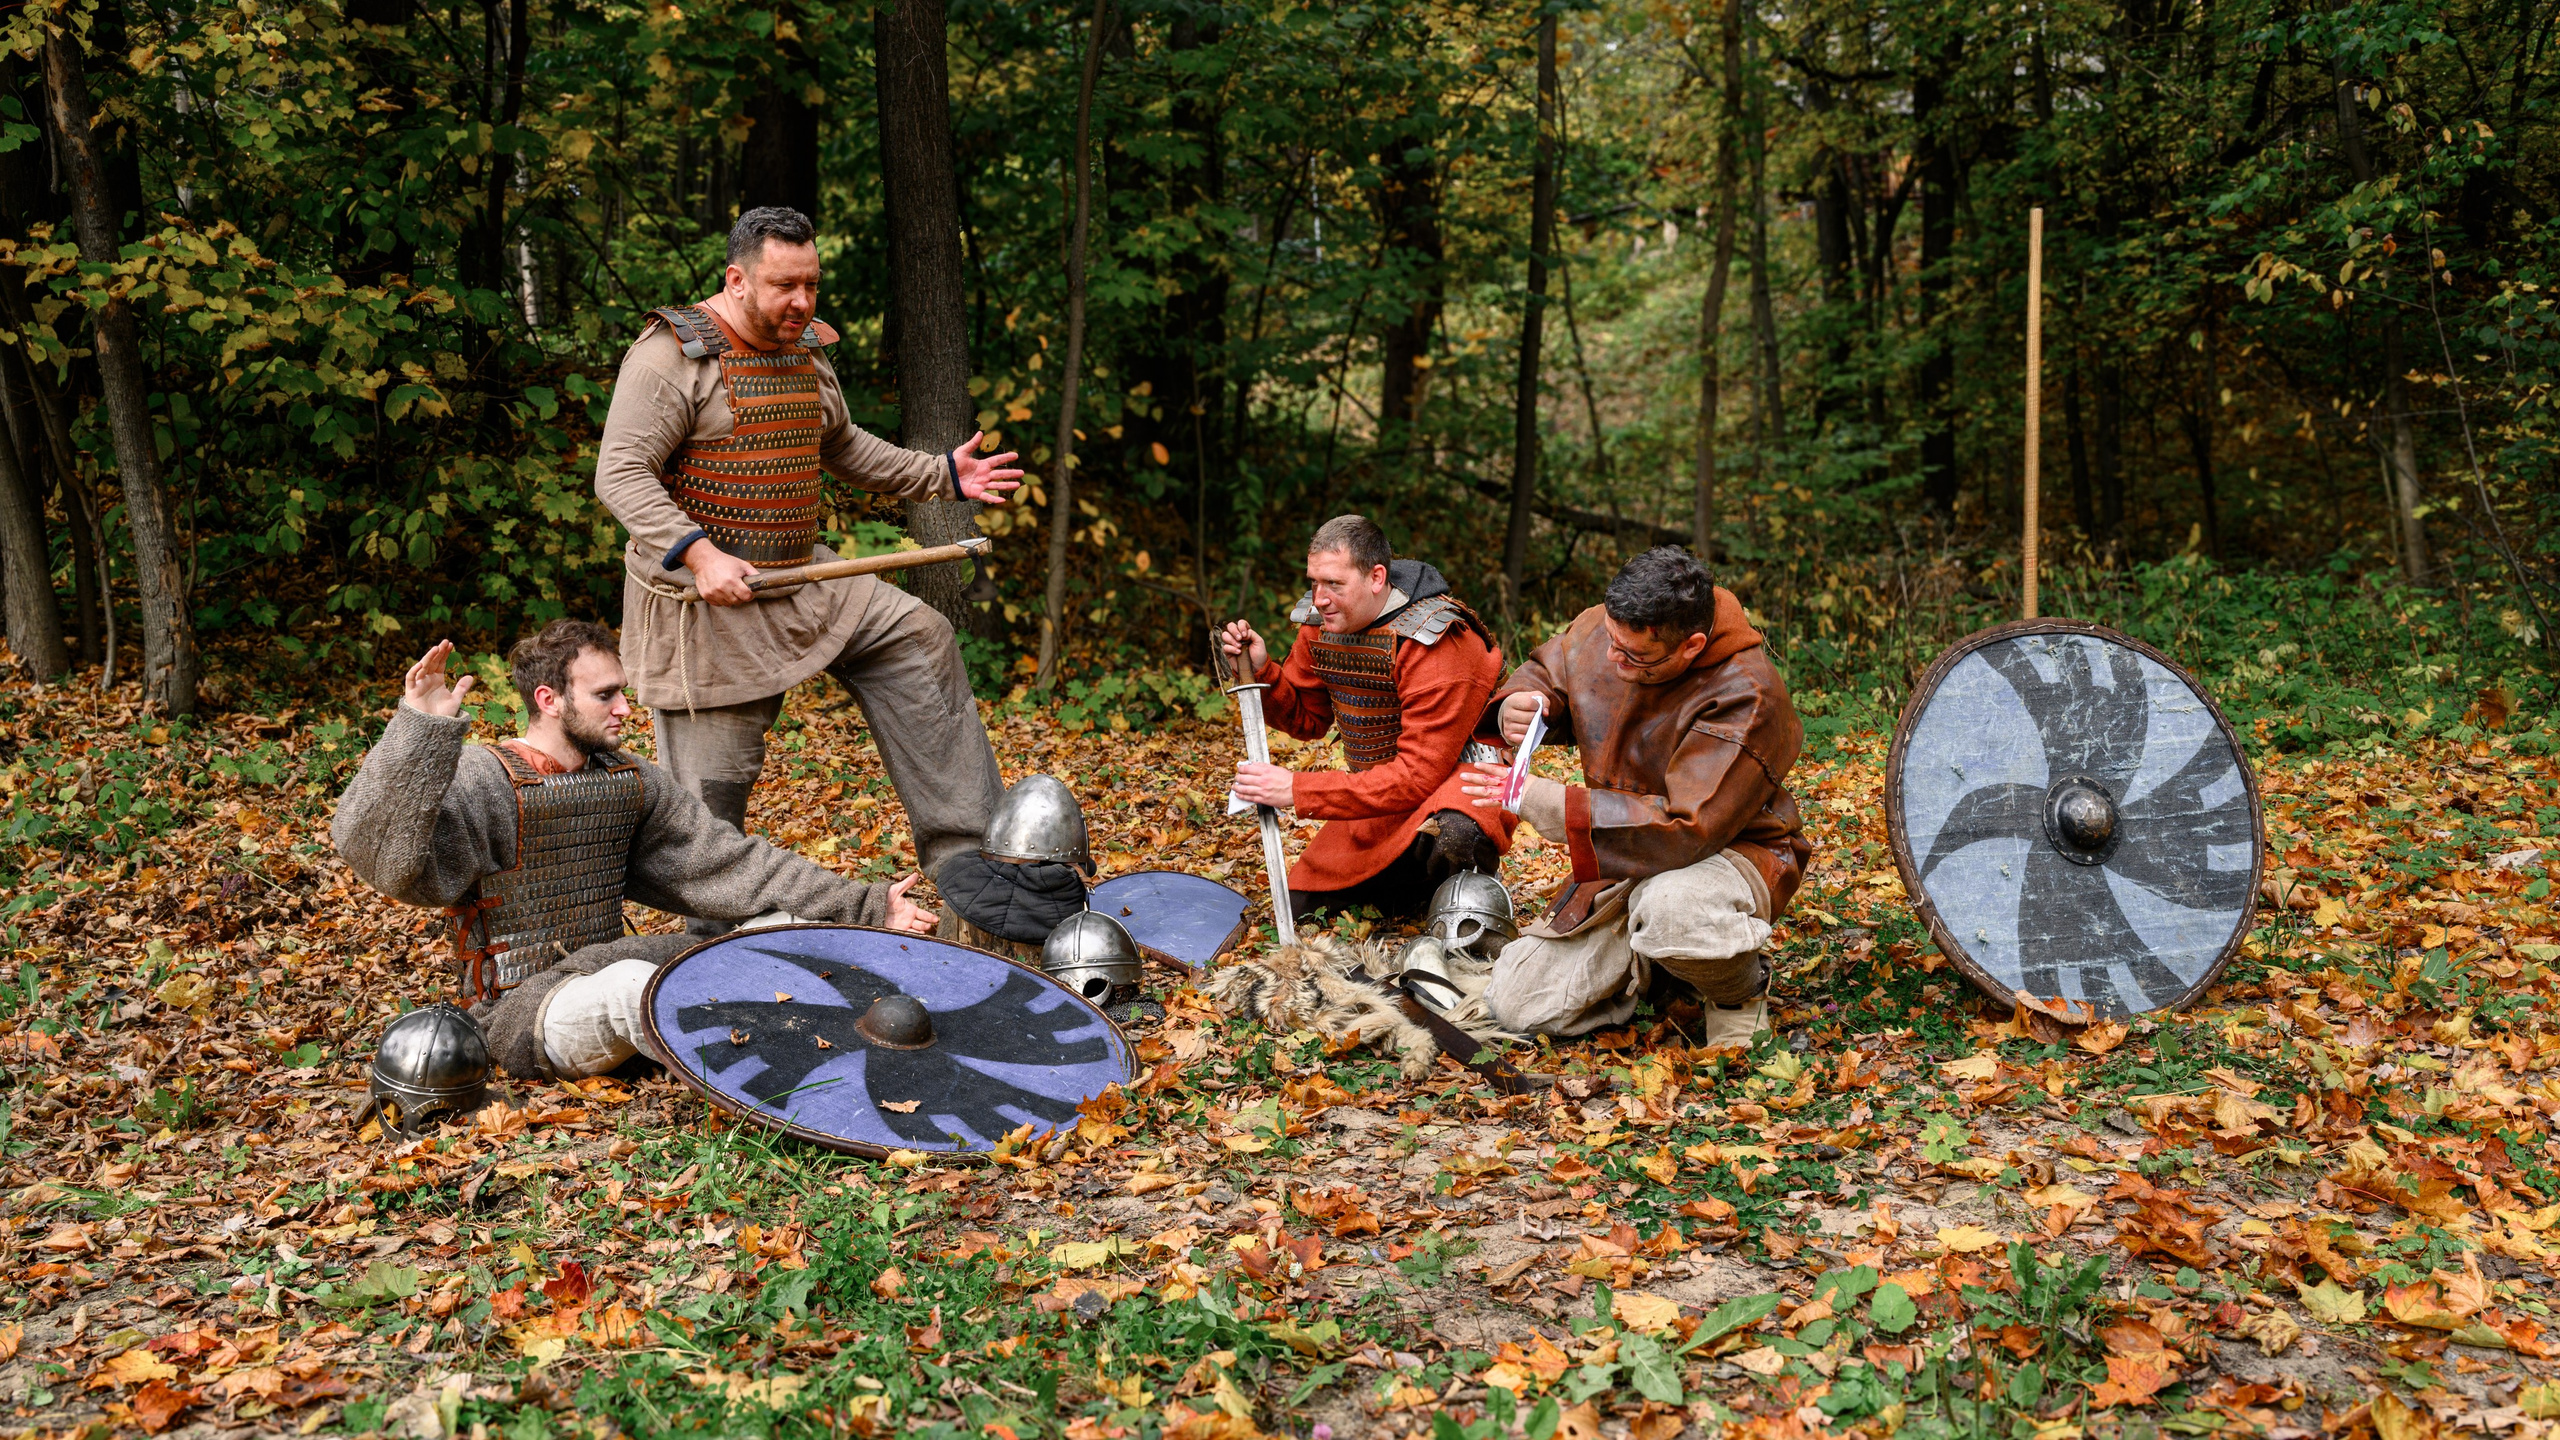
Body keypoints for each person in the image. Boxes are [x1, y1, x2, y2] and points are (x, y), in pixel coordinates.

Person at [595, 205, 1021, 927]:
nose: (801, 303)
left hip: (804, 580)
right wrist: (699, 554)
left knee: (917, 637)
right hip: (706, 612)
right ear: (736, 279)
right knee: (709, 804)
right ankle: (713, 952)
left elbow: (842, 443)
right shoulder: (669, 358)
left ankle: (974, 878)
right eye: (783, 286)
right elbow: (621, 474)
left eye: (812, 285)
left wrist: (941, 475)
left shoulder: (805, 348)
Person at [331, 623, 941, 1083]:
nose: (626, 708)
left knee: (780, 932)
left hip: (599, 965)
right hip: (519, 1013)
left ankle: (861, 1042)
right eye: (606, 695)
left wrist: (859, 905)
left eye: (622, 692)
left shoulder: (629, 780)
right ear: (549, 699)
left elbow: (725, 863)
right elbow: (387, 860)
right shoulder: (483, 778)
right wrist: (419, 730)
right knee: (635, 987)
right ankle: (781, 1085)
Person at [1460, 547, 1810, 1046]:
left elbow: (1688, 828)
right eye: (1610, 639)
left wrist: (1558, 806)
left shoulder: (1748, 693)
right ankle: (1663, 966)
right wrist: (1527, 699)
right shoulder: (1611, 629)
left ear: (1690, 646)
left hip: (1730, 851)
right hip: (1626, 854)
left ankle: (1737, 991)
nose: (1612, 659)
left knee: (1673, 908)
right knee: (1518, 1007)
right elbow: (1554, 665)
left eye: (1634, 656)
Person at [1220, 515, 1512, 921]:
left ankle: (1462, 901)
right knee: (1304, 910)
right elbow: (1306, 720)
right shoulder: (1324, 624)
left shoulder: (1438, 640)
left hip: (1456, 786)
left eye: (1334, 584)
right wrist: (1264, 670)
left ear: (1377, 577)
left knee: (1454, 832)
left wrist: (1298, 789)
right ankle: (1401, 895)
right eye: (1314, 582)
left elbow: (1418, 775)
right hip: (1378, 793)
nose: (1319, 598)